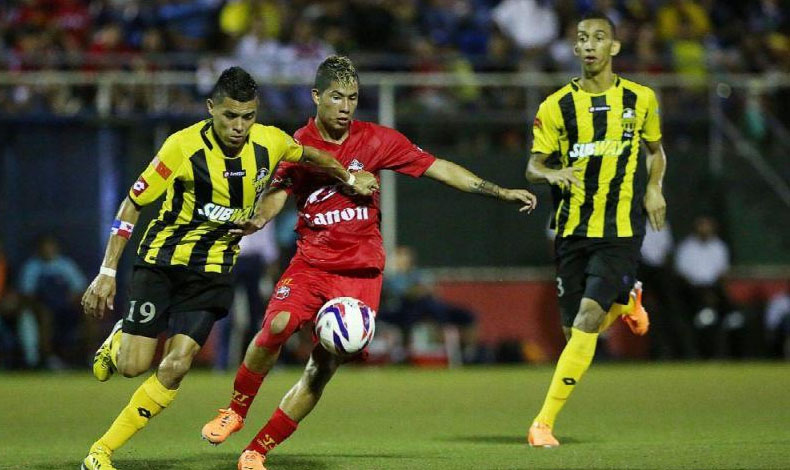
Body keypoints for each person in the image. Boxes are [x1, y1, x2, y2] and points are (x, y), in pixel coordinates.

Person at [200, 55, 538, 470]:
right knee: (276, 326)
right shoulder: (297, 145)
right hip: (312, 264)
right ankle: (235, 410)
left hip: (360, 276)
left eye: (353, 98)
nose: (345, 106)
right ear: (316, 97)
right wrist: (259, 219)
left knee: (321, 368)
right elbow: (278, 192)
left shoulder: (376, 140)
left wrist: (499, 191)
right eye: (337, 97)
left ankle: (258, 450)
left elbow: (439, 168)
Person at [78, 65, 378, 470]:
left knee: (177, 364)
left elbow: (312, 154)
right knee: (133, 366)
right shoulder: (180, 148)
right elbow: (133, 203)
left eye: (248, 116)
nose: (239, 126)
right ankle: (120, 340)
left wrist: (348, 176)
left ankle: (101, 451)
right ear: (210, 109)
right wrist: (107, 271)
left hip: (215, 268)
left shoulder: (270, 142)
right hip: (163, 262)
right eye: (230, 116)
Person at [525, 11, 667, 447]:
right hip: (571, 228)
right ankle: (625, 306)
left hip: (621, 228)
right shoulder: (555, 106)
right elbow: (533, 165)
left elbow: (655, 152)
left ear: (614, 47)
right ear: (574, 48)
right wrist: (550, 175)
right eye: (582, 38)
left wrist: (655, 189)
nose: (589, 45)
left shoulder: (641, 99)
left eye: (599, 38)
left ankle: (542, 424)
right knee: (575, 336)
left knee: (587, 319)